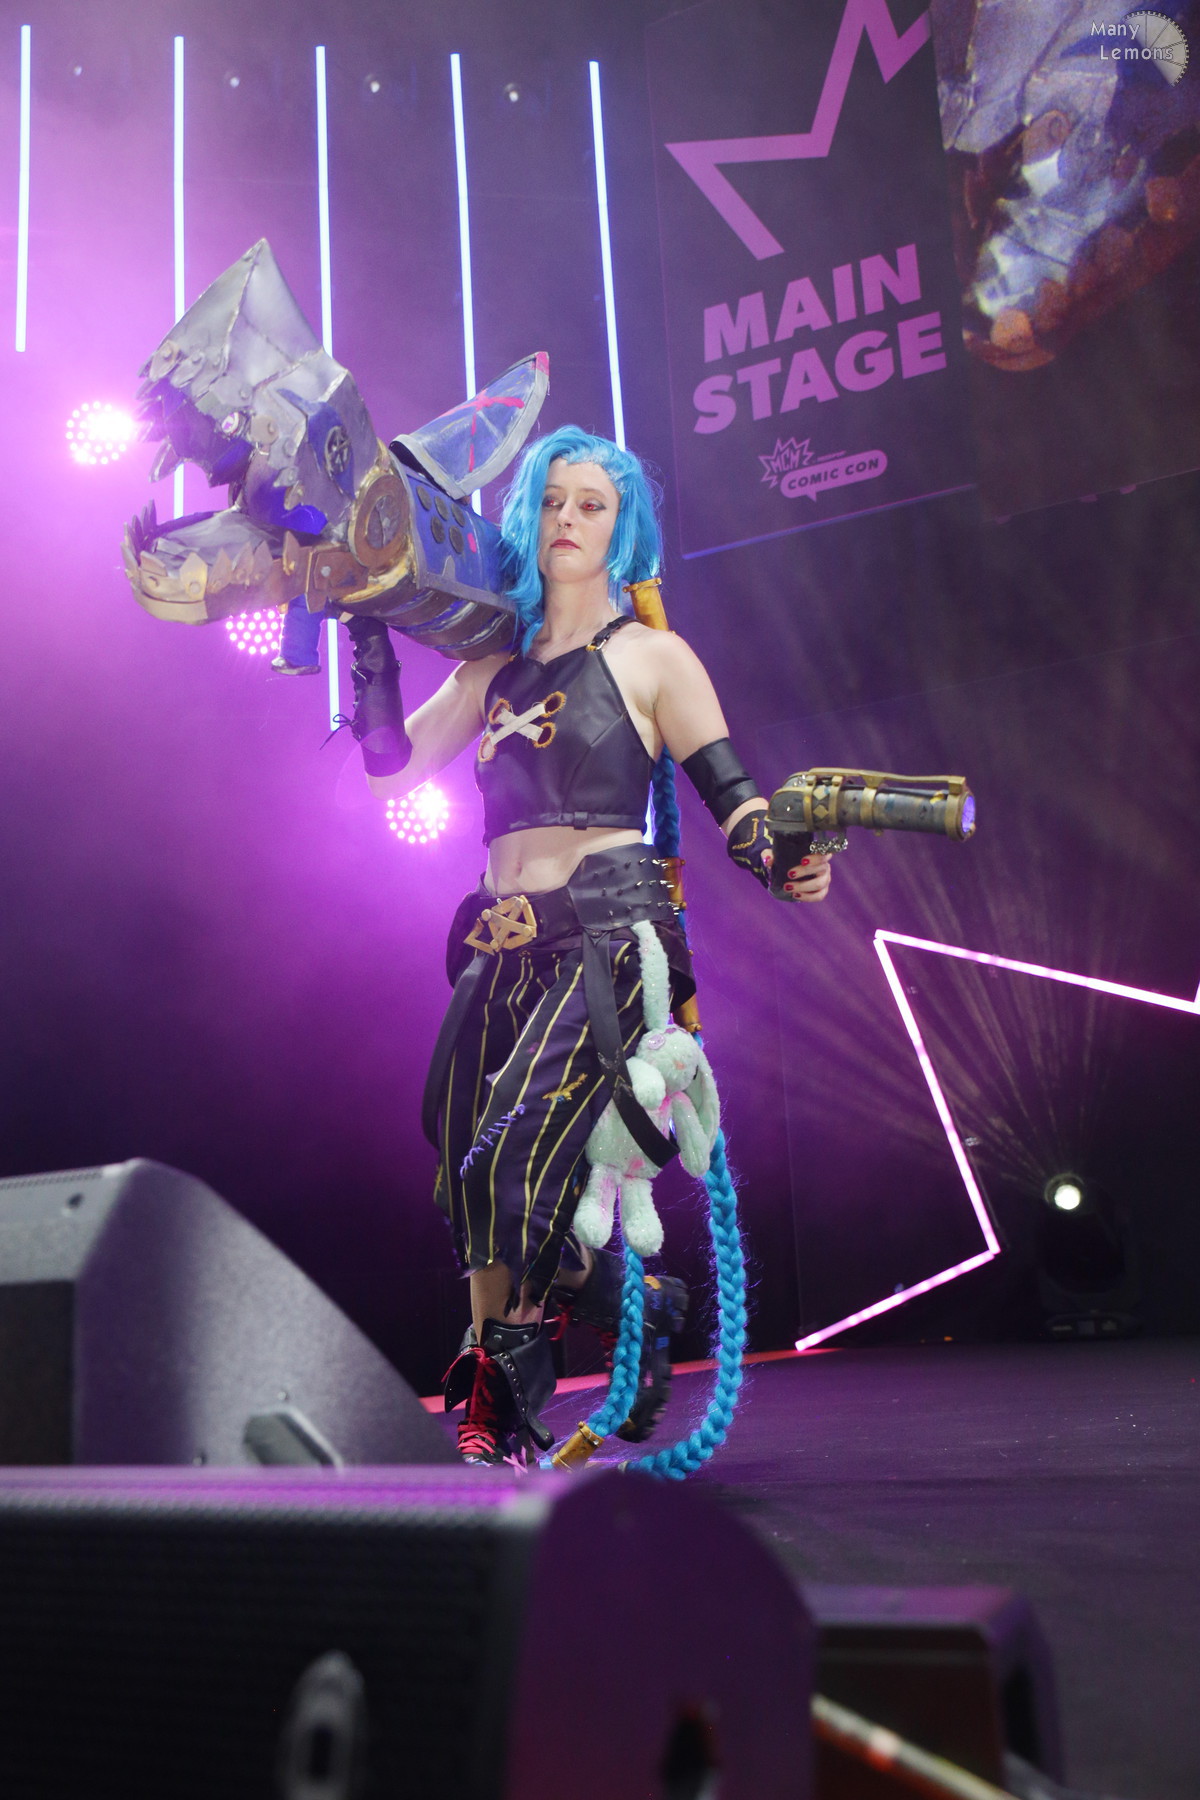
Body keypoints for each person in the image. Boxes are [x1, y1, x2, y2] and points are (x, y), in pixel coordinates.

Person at [353, 425, 832, 1465]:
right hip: (495, 953)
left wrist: (787, 859)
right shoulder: (492, 663)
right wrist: (366, 625)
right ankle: (635, 1302)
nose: (568, 518)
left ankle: (495, 1412)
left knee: (510, 1163)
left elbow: (736, 802)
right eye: (552, 500)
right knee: (472, 1179)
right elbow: (392, 766)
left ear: (624, 529)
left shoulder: (654, 657)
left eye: (592, 504)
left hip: (608, 942)